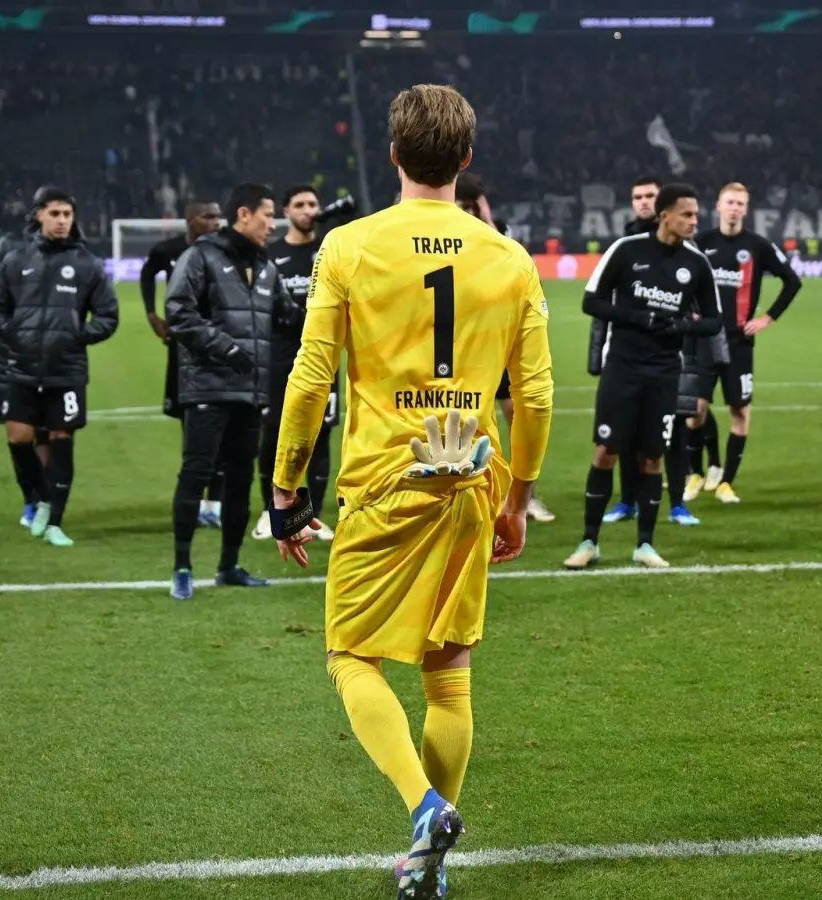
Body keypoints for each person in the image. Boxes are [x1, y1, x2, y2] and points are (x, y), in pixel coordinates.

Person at [267, 83, 554, 899]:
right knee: (449, 672)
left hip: (384, 484)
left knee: (351, 656)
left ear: (392, 155)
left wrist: (287, 487)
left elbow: (310, 378)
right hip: (470, 483)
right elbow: (533, 395)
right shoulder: (507, 258)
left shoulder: (349, 247)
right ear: (466, 158)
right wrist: (518, 495)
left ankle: (425, 809)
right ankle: (429, 858)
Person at [568, 183, 722, 571]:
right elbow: (592, 301)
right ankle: (589, 542)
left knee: (653, 456)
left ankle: (645, 545)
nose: (694, 222)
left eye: (696, 215)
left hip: (664, 372)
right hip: (622, 367)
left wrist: (683, 324)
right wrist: (641, 318)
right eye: (686, 214)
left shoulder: (697, 264)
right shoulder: (627, 250)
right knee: (606, 452)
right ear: (664, 214)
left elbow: (716, 321)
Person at [164, 183, 285, 598]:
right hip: (208, 389)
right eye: (268, 214)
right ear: (244, 215)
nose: (273, 223)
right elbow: (178, 312)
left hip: (250, 393)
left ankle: (229, 566)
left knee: (239, 481)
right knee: (196, 474)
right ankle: (182, 567)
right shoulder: (199, 256)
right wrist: (226, 348)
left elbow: (289, 317)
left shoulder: (267, 267)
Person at [0, 186, 119, 547]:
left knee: (61, 443)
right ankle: (42, 497)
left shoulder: (87, 264)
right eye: (55, 214)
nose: (62, 221)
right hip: (24, 366)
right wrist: (11, 333)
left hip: (67, 370)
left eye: (67, 215)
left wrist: (77, 336)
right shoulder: (17, 259)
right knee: (18, 439)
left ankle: (56, 521)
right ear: (39, 215)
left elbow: (109, 316)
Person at [684, 181, 803, 505]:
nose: (735, 208)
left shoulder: (758, 246)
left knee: (740, 410)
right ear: (718, 206)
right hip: (705, 340)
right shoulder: (700, 242)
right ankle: (695, 474)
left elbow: (792, 281)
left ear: (746, 210)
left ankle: (726, 482)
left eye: (741, 203)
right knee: (694, 410)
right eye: (730, 202)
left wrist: (767, 318)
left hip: (739, 342)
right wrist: (689, 314)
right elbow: (679, 280)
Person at [455, 171, 556, 524]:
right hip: (466, 347)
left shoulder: (495, 234)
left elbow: (504, 257)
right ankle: (471, 492)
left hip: (500, 343)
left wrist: (484, 212)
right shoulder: (447, 235)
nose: (467, 211)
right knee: (467, 422)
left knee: (517, 415)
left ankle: (526, 495)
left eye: (472, 205)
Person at [251, 185, 339, 544]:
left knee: (320, 437)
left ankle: (309, 517)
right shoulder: (271, 257)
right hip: (279, 361)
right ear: (286, 211)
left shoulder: (331, 254)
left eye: (313, 204)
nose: (308, 210)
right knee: (273, 437)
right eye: (300, 205)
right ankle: (271, 513)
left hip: (325, 360)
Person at [142, 200, 225, 527]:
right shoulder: (168, 250)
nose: (216, 222)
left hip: (219, 349)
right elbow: (148, 273)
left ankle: (214, 506)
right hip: (182, 351)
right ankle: (197, 499)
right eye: (209, 217)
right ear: (190, 220)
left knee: (220, 427)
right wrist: (152, 314)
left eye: (219, 217)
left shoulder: (226, 251)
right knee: (190, 425)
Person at [0, 197, 49, 529]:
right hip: (11, 354)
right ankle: (31, 499)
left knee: (49, 434)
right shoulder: (8, 247)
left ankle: (47, 501)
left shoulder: (72, 252)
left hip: (53, 356)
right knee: (19, 435)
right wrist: (19, 324)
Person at [598, 176, 663, 524]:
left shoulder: (683, 245)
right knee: (622, 433)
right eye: (637, 196)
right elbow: (600, 300)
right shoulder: (624, 243)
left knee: (664, 436)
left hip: (669, 355)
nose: (643, 202)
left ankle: (677, 501)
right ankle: (627, 501)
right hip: (626, 353)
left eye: (650, 195)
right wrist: (597, 353)